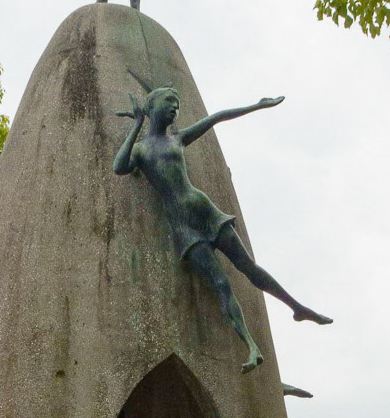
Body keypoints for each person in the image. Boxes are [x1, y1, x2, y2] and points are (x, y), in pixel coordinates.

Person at [113, 85, 332, 374]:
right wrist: (137, 125)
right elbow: (120, 167)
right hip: (184, 226)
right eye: (169, 102)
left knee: (249, 268)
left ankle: (297, 307)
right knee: (221, 285)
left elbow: (217, 117)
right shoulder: (142, 149)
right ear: (151, 106)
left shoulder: (178, 138)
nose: (175, 109)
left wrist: (256, 105)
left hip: (204, 210)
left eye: (177, 105)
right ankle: (252, 347)